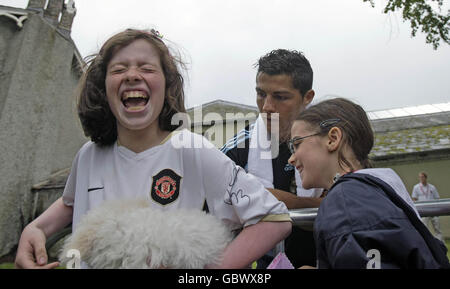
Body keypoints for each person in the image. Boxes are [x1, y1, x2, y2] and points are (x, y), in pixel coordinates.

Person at [14, 28, 292, 269]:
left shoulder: (192, 150)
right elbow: (69, 203)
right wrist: (35, 229)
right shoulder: (88, 154)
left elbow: (274, 218)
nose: (132, 75)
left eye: (146, 68)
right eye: (119, 69)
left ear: (167, 86)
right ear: (102, 88)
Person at [288, 97, 450, 269]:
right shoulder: (374, 189)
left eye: (297, 144)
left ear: (333, 138)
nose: (291, 158)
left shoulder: (347, 200)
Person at [221, 49, 323, 268]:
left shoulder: (334, 143)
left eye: (280, 97)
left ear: (308, 97)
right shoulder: (234, 152)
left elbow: (345, 207)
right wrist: (313, 206)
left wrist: (265, 199)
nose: (266, 106)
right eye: (261, 94)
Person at [412, 172, 444, 242]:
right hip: (423, 210)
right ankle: (426, 242)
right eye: (420, 177)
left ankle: (440, 243)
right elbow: (414, 199)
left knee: (437, 227)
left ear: (426, 178)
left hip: (433, 209)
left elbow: (437, 198)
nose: (421, 178)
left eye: (422, 177)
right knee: (424, 227)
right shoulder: (416, 187)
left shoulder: (432, 187)